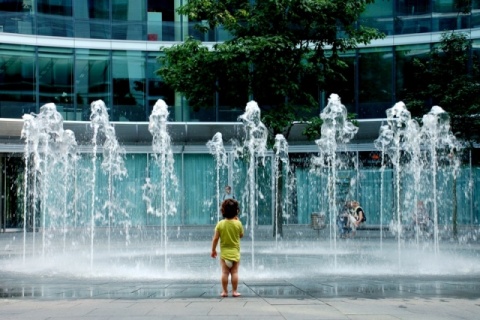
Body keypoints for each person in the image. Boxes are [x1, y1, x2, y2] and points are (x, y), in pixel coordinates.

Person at [211, 198, 244, 297]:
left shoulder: (220, 224)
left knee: (225, 273)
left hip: (224, 255)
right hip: (235, 254)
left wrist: (213, 250)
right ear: (236, 211)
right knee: (234, 273)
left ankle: (225, 291)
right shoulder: (238, 223)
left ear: (223, 211)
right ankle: (234, 291)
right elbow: (241, 235)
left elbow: (216, 238)